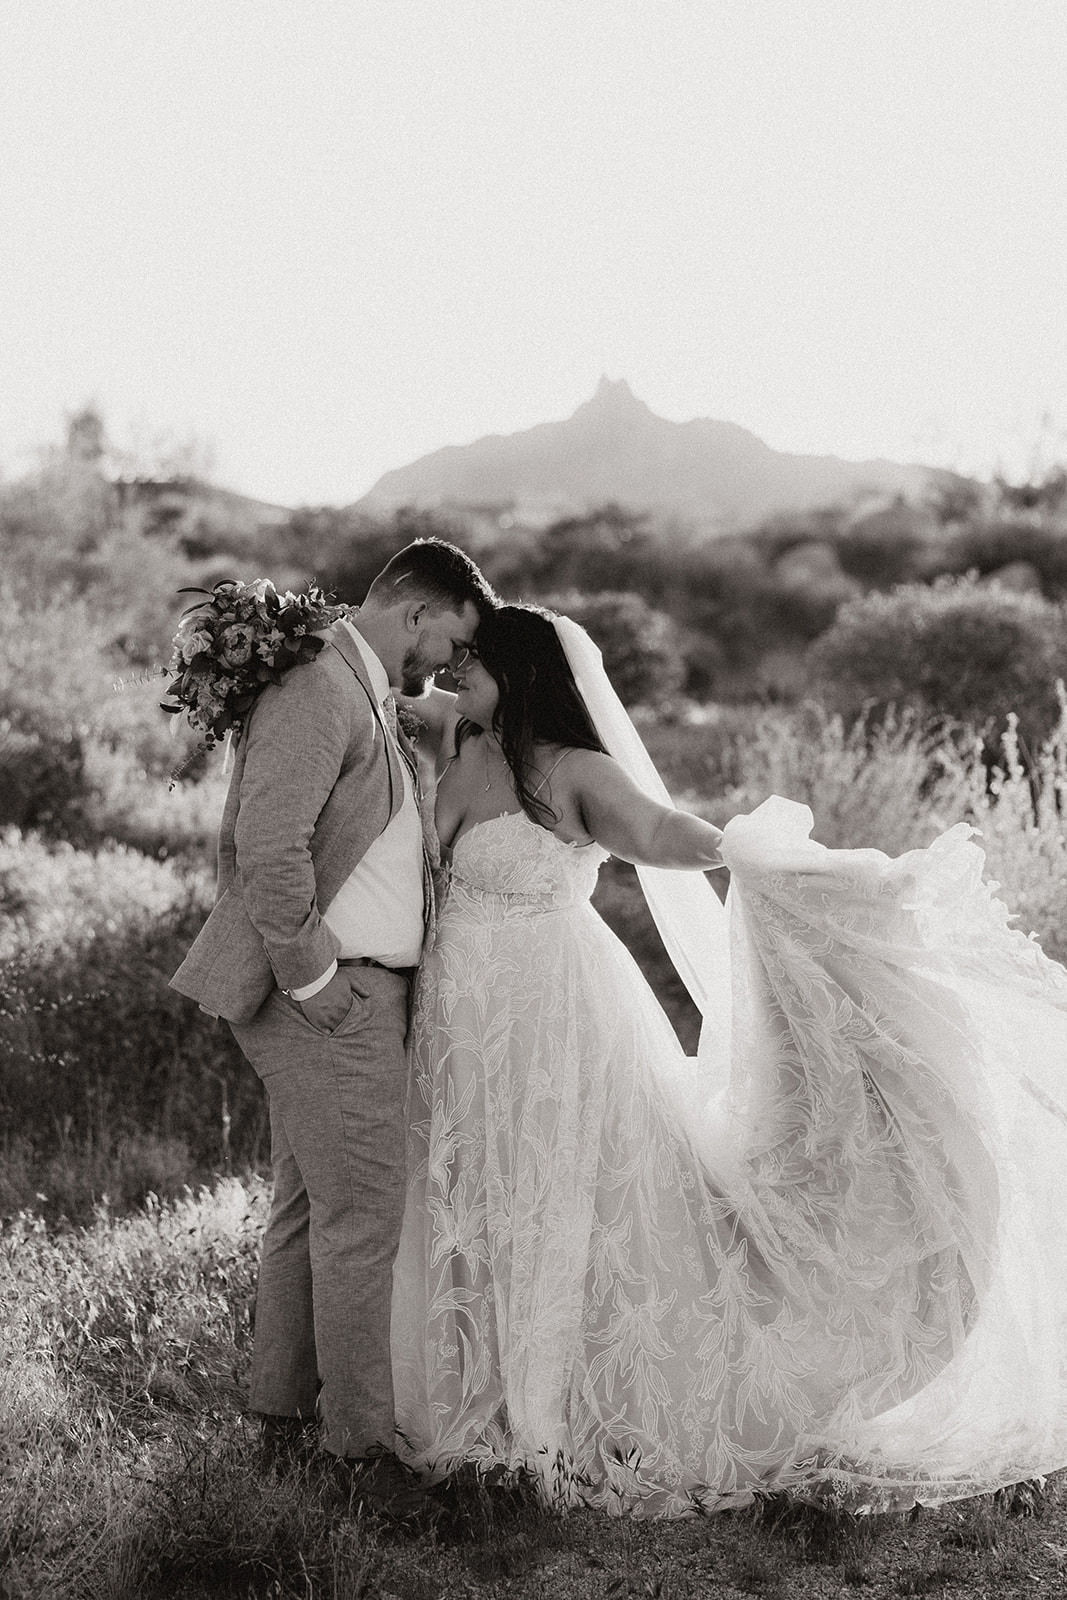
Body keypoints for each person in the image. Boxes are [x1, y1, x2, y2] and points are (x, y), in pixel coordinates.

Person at [390, 602, 1067, 1517]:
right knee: (470, 1186)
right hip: (455, 1015)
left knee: (558, 1189)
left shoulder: (577, 771)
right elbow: (372, 698)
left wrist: (755, 858)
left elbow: (663, 834)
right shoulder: (455, 738)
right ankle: (475, 1388)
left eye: (471, 658)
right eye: (452, 654)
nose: (450, 669)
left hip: (552, 1013)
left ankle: (556, 1410)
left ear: (525, 673)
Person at [171, 538, 496, 1506]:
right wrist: (317, 984)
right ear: (414, 607)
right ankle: (360, 1459)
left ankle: (279, 1422)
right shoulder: (320, 682)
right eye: (449, 640)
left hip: (351, 988)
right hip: (328, 995)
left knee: (309, 1209)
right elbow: (266, 848)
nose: (442, 664)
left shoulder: (359, 682)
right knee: (365, 1218)